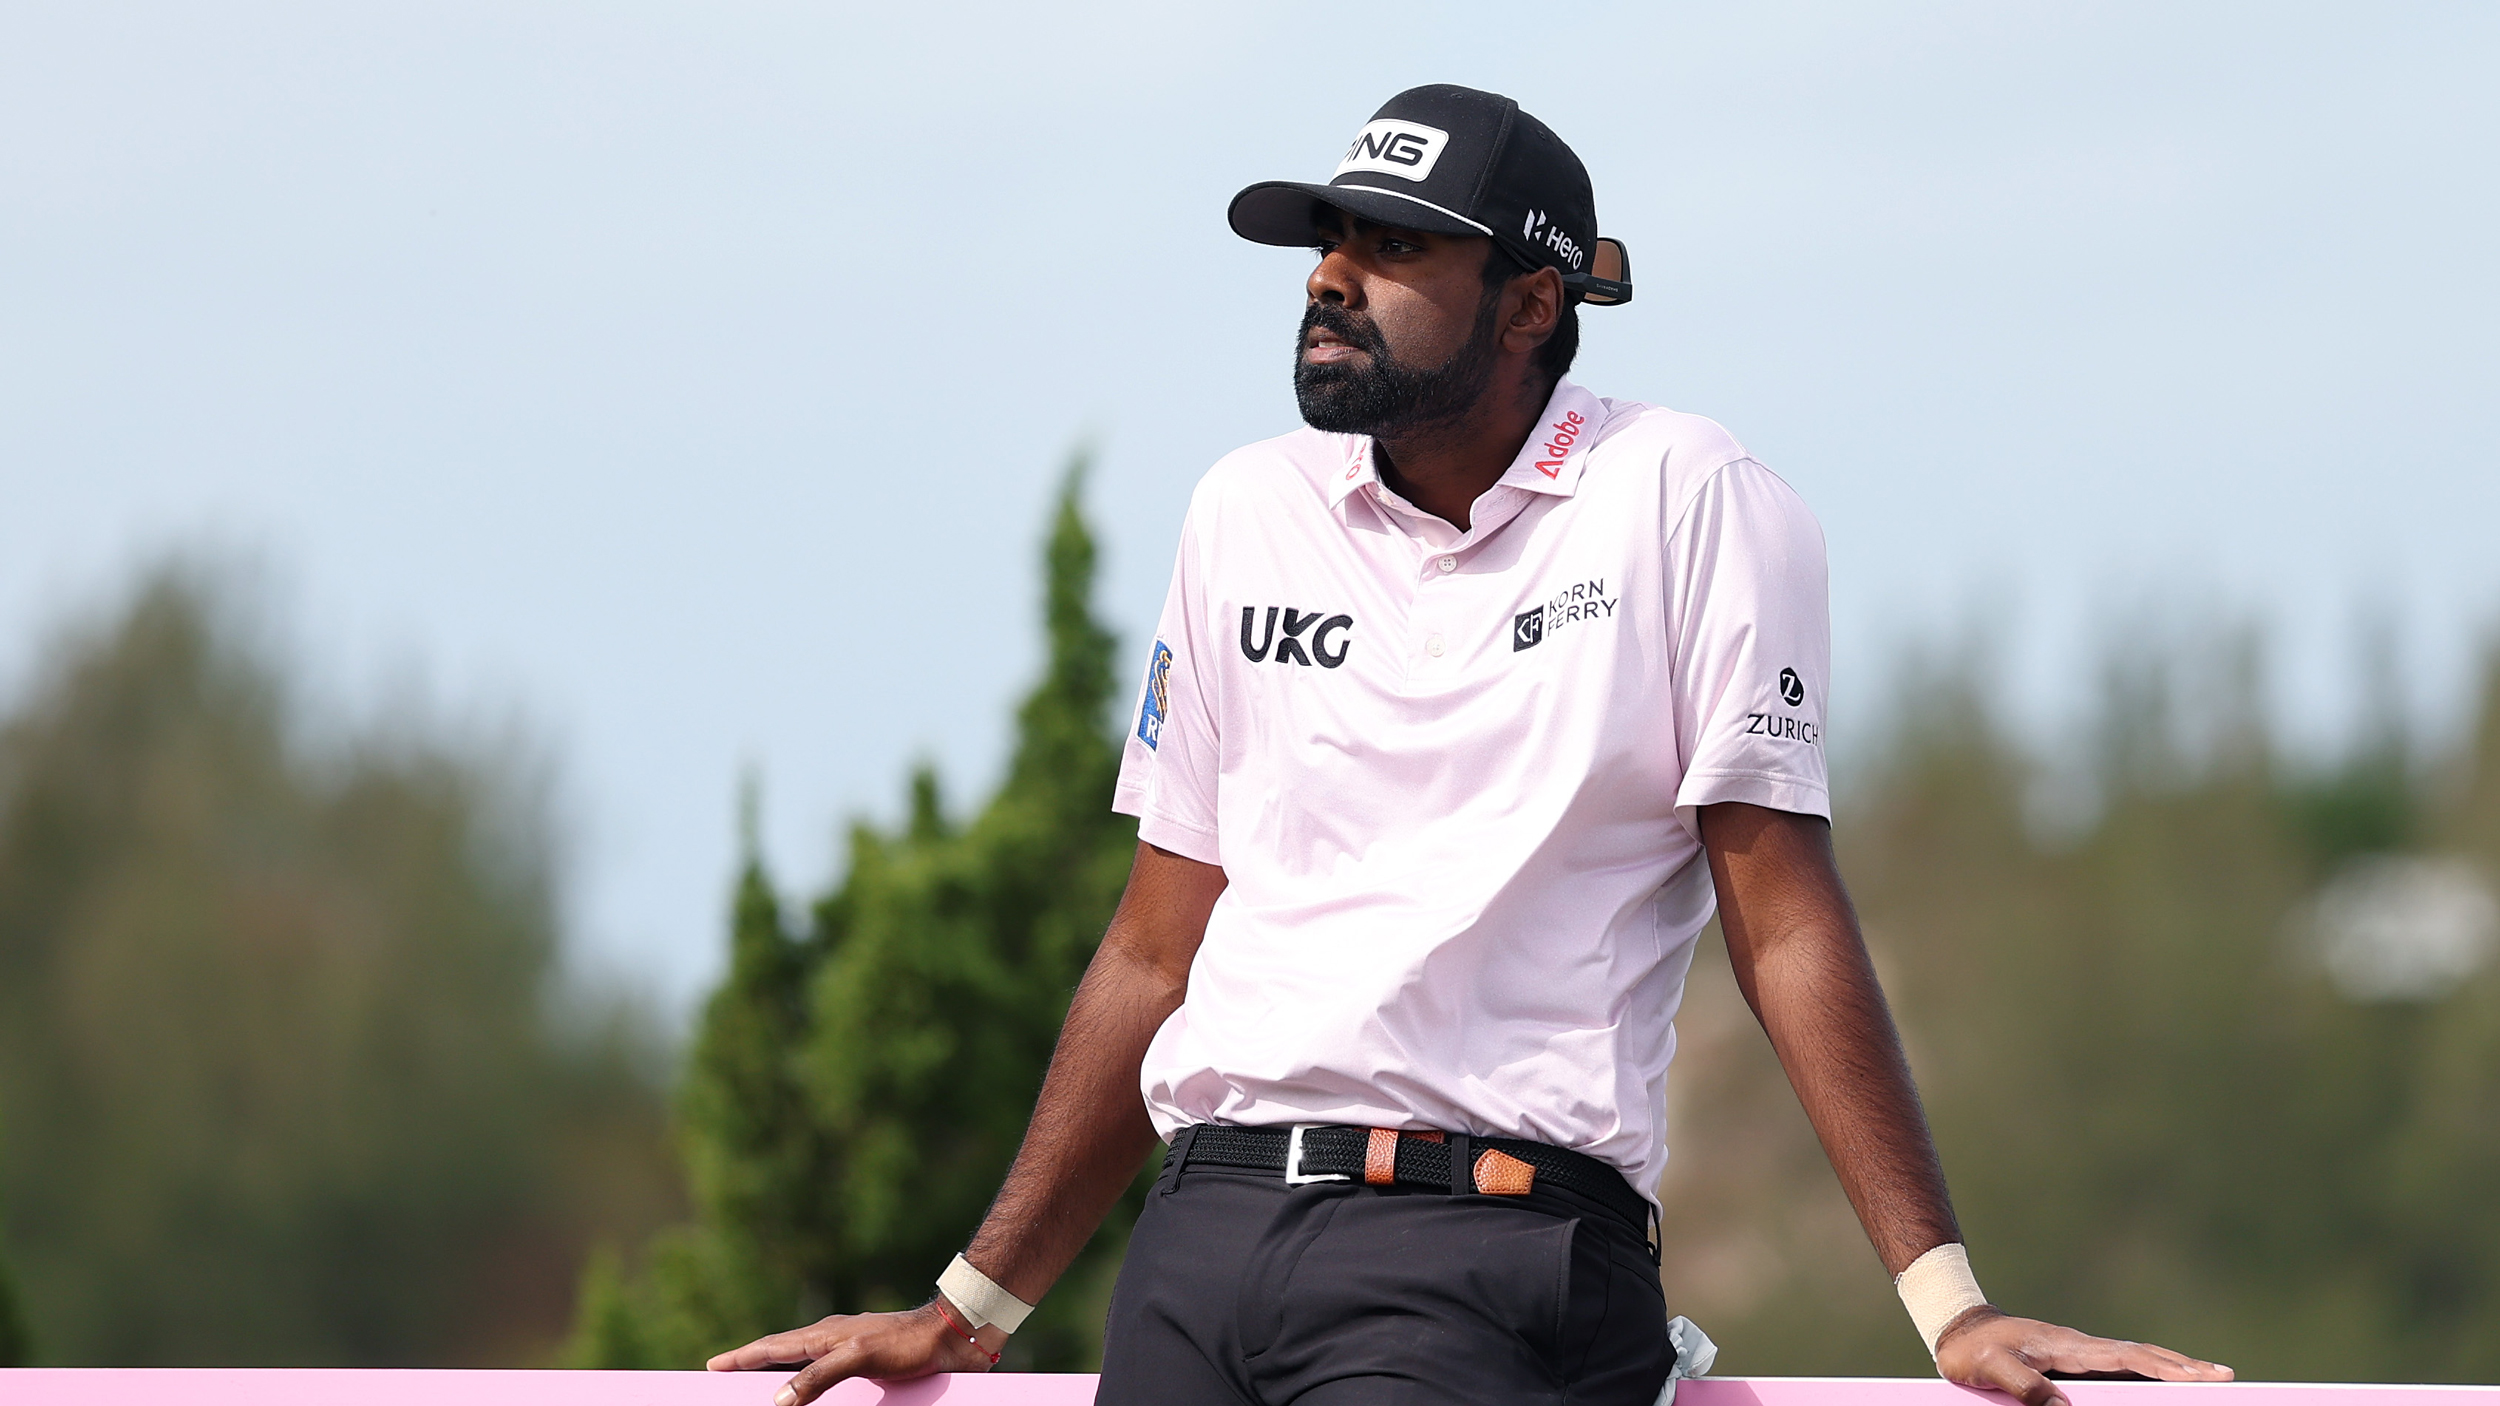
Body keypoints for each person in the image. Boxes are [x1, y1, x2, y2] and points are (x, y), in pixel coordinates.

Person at [709, 84, 2235, 1406]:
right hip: (1199, 1240)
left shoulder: (1690, 497)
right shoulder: (1245, 510)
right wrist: (974, 1300)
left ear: (1530, 303)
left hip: (1485, 1247)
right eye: (1327, 241)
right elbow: (1156, 950)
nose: (1330, 277)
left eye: (1393, 244)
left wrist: (1946, 1300)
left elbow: (1783, 920)